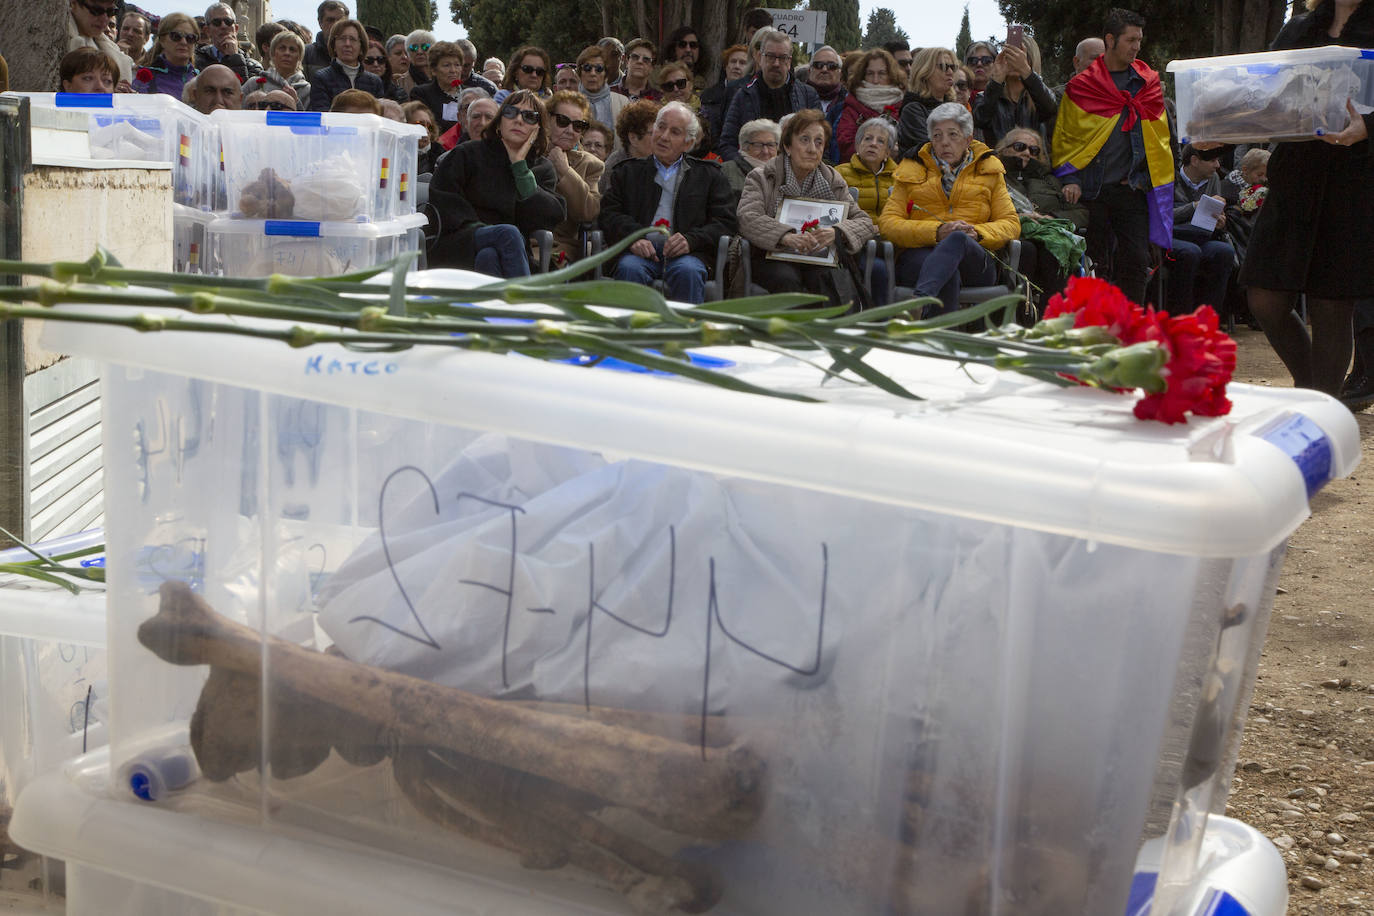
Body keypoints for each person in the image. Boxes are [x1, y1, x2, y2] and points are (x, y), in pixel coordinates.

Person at [1238, 0, 1374, 399]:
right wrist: (1219, 130)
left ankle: (1320, 407)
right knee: (1264, 297)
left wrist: (1367, 127)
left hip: (1354, 183)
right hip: (1295, 179)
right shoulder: (1298, 29)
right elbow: (1264, 94)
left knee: (1331, 305)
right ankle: (1312, 390)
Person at [1052, 8, 1173, 306]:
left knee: (1136, 260)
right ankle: (1097, 322)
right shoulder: (1081, 86)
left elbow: (1163, 137)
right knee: (1096, 262)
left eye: (1139, 40)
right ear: (1110, 40)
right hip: (1093, 191)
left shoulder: (1147, 82)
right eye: (1130, 40)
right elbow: (1066, 139)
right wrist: (1070, 178)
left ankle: (1130, 323)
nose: (1136, 47)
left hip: (1133, 188)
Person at [879, 102, 1019, 316]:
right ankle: (943, 330)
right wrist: (936, 232)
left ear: (968, 139)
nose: (944, 142)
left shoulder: (989, 170)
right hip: (919, 257)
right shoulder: (910, 170)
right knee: (946, 273)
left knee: (958, 239)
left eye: (953, 135)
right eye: (937, 136)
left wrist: (977, 233)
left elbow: (1011, 223)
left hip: (974, 260)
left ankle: (920, 303)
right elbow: (888, 224)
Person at [739, 108, 883, 308]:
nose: (812, 149)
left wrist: (837, 232)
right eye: (804, 140)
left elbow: (864, 221)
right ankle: (796, 329)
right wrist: (785, 236)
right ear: (788, 146)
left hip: (818, 258)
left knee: (829, 279)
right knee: (786, 278)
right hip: (770, 256)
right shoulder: (762, 176)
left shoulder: (831, 178)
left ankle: (829, 328)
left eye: (819, 142)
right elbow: (748, 216)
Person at [599, 101, 735, 303]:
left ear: (688, 143)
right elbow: (609, 214)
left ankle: (683, 324)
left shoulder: (709, 176)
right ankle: (630, 324)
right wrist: (633, 237)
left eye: (675, 132)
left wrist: (691, 240)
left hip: (688, 255)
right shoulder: (627, 172)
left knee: (688, 271)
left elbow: (725, 222)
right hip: (638, 255)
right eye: (661, 127)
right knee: (630, 268)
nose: (664, 136)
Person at [429, 90, 566, 277]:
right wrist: (482, 230)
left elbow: (549, 216)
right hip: (460, 242)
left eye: (529, 116)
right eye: (510, 112)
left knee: (489, 255)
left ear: (537, 130)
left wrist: (520, 169)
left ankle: (501, 297)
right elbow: (443, 201)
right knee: (507, 234)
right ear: (500, 122)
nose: (518, 120)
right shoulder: (466, 154)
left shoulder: (542, 168)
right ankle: (523, 294)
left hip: (508, 252)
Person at [996, 127, 1086, 305]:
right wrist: (1019, 217)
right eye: (1019, 147)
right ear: (1004, 150)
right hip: (1012, 235)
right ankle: (1021, 312)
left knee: (1056, 247)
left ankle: (1052, 315)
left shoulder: (1050, 181)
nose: (1027, 153)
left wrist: (1052, 217)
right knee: (1026, 249)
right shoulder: (996, 176)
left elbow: (1081, 213)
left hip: (1048, 234)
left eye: (1034, 150)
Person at [720, 28, 821, 161]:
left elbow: (821, 140)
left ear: (789, 61)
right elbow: (727, 143)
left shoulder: (808, 95)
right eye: (770, 56)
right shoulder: (743, 95)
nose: (776, 63)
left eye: (782, 58)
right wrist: (746, 167)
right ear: (760, 58)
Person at [1168, 144, 1236, 316]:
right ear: (1194, 160)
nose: (1217, 165)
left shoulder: (1213, 178)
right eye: (1212, 160)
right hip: (1172, 235)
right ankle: (1181, 316)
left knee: (1224, 252)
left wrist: (1219, 221)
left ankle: (1209, 317)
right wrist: (1194, 207)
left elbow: (1215, 213)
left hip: (1201, 235)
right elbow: (1164, 216)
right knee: (1190, 252)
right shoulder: (1170, 178)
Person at [545, 90, 605, 263]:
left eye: (578, 125)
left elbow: (589, 212)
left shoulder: (591, 165)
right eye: (563, 122)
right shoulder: (527, 151)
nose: (570, 130)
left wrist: (565, 171)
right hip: (518, 237)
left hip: (558, 246)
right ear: (548, 120)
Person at [973, 34, 1057, 147]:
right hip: (999, 158)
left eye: (1020, 57)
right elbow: (980, 119)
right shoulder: (986, 96)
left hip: (1034, 157)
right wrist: (997, 79)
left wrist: (1025, 71)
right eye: (1010, 55)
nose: (1014, 62)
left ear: (1031, 60)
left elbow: (1050, 109)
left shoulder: (1041, 96)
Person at [836, 49, 904, 163]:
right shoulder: (853, 105)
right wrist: (877, 153)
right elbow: (845, 144)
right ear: (863, 75)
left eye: (881, 73)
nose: (875, 80)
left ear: (891, 75)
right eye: (870, 73)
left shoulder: (903, 105)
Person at [309, 18, 384, 111]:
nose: (347, 44)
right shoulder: (321, 78)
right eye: (342, 39)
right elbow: (322, 112)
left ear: (361, 46)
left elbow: (378, 114)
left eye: (352, 39)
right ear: (334, 45)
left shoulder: (374, 81)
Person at [897, 47, 958, 160]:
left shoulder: (954, 108)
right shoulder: (913, 109)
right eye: (943, 67)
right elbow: (931, 151)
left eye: (952, 67)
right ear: (924, 72)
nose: (950, 72)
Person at [837, 117, 900, 223]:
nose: (873, 144)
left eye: (880, 141)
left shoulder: (900, 177)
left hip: (890, 231)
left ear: (888, 152)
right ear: (858, 145)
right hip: (854, 231)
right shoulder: (840, 174)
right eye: (868, 138)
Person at [68, 0, 134, 89]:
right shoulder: (58, 41)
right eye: (96, 10)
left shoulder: (112, 49)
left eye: (110, 12)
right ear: (74, 3)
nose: (104, 18)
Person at [133, 13, 199, 98]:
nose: (184, 42)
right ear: (162, 40)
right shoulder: (145, 77)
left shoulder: (202, 80)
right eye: (176, 36)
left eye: (190, 38)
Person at [410, 41, 468, 133]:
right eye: (447, 65)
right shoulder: (421, 94)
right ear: (433, 70)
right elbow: (425, 125)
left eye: (457, 65)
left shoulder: (471, 94)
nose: (453, 70)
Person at [195, 3, 262, 81]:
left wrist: (235, 59)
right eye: (217, 22)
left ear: (236, 29)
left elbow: (244, 88)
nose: (223, 26)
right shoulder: (196, 62)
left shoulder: (253, 66)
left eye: (228, 21)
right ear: (207, 30)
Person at [721, 118, 779, 206]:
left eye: (770, 145)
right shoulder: (725, 172)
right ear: (745, 147)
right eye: (758, 145)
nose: (765, 151)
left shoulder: (786, 173)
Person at [577, 45, 627, 145]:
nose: (593, 73)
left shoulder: (622, 102)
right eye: (587, 68)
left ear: (606, 73)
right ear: (580, 72)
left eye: (599, 69)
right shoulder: (570, 102)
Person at [806, 45, 847, 163]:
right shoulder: (796, 96)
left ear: (840, 73)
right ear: (809, 71)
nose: (824, 69)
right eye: (818, 65)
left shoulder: (850, 103)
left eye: (831, 66)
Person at [259, 30, 310, 108]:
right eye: (282, 48)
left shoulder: (307, 90)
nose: (287, 53)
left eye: (292, 49)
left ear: (300, 57)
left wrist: (296, 102)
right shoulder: (255, 83)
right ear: (273, 54)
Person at [304, 1, 348, 72]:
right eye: (330, 20)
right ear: (320, 23)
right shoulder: (306, 53)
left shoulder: (356, 54)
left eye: (340, 21)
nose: (335, 25)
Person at [403, 100, 441, 173]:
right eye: (419, 124)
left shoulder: (440, 157)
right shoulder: (394, 153)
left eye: (429, 126)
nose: (426, 130)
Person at [661, 26, 704, 91]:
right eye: (682, 45)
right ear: (673, 49)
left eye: (693, 45)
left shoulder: (704, 83)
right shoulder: (658, 79)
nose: (688, 50)